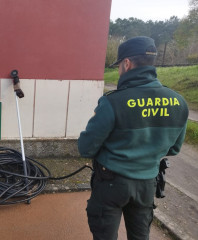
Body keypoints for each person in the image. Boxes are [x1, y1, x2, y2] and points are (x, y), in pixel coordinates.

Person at [78, 36, 188, 240]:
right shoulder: (178, 102)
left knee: (104, 235)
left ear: (126, 64)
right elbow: (174, 149)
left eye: (119, 65)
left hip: (111, 183)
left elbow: (86, 147)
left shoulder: (113, 102)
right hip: (147, 183)